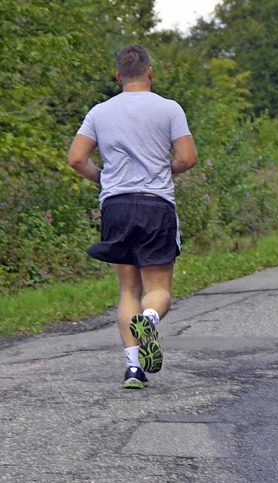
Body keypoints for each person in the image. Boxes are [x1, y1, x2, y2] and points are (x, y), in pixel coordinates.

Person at [68, 45, 197, 389]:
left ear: (118, 76)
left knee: (128, 289)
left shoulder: (100, 111)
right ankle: (150, 319)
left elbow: (77, 158)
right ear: (150, 72)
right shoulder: (169, 109)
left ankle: (133, 369)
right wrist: (162, 170)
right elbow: (187, 158)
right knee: (157, 289)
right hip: (155, 206)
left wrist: (104, 179)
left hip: (116, 207)